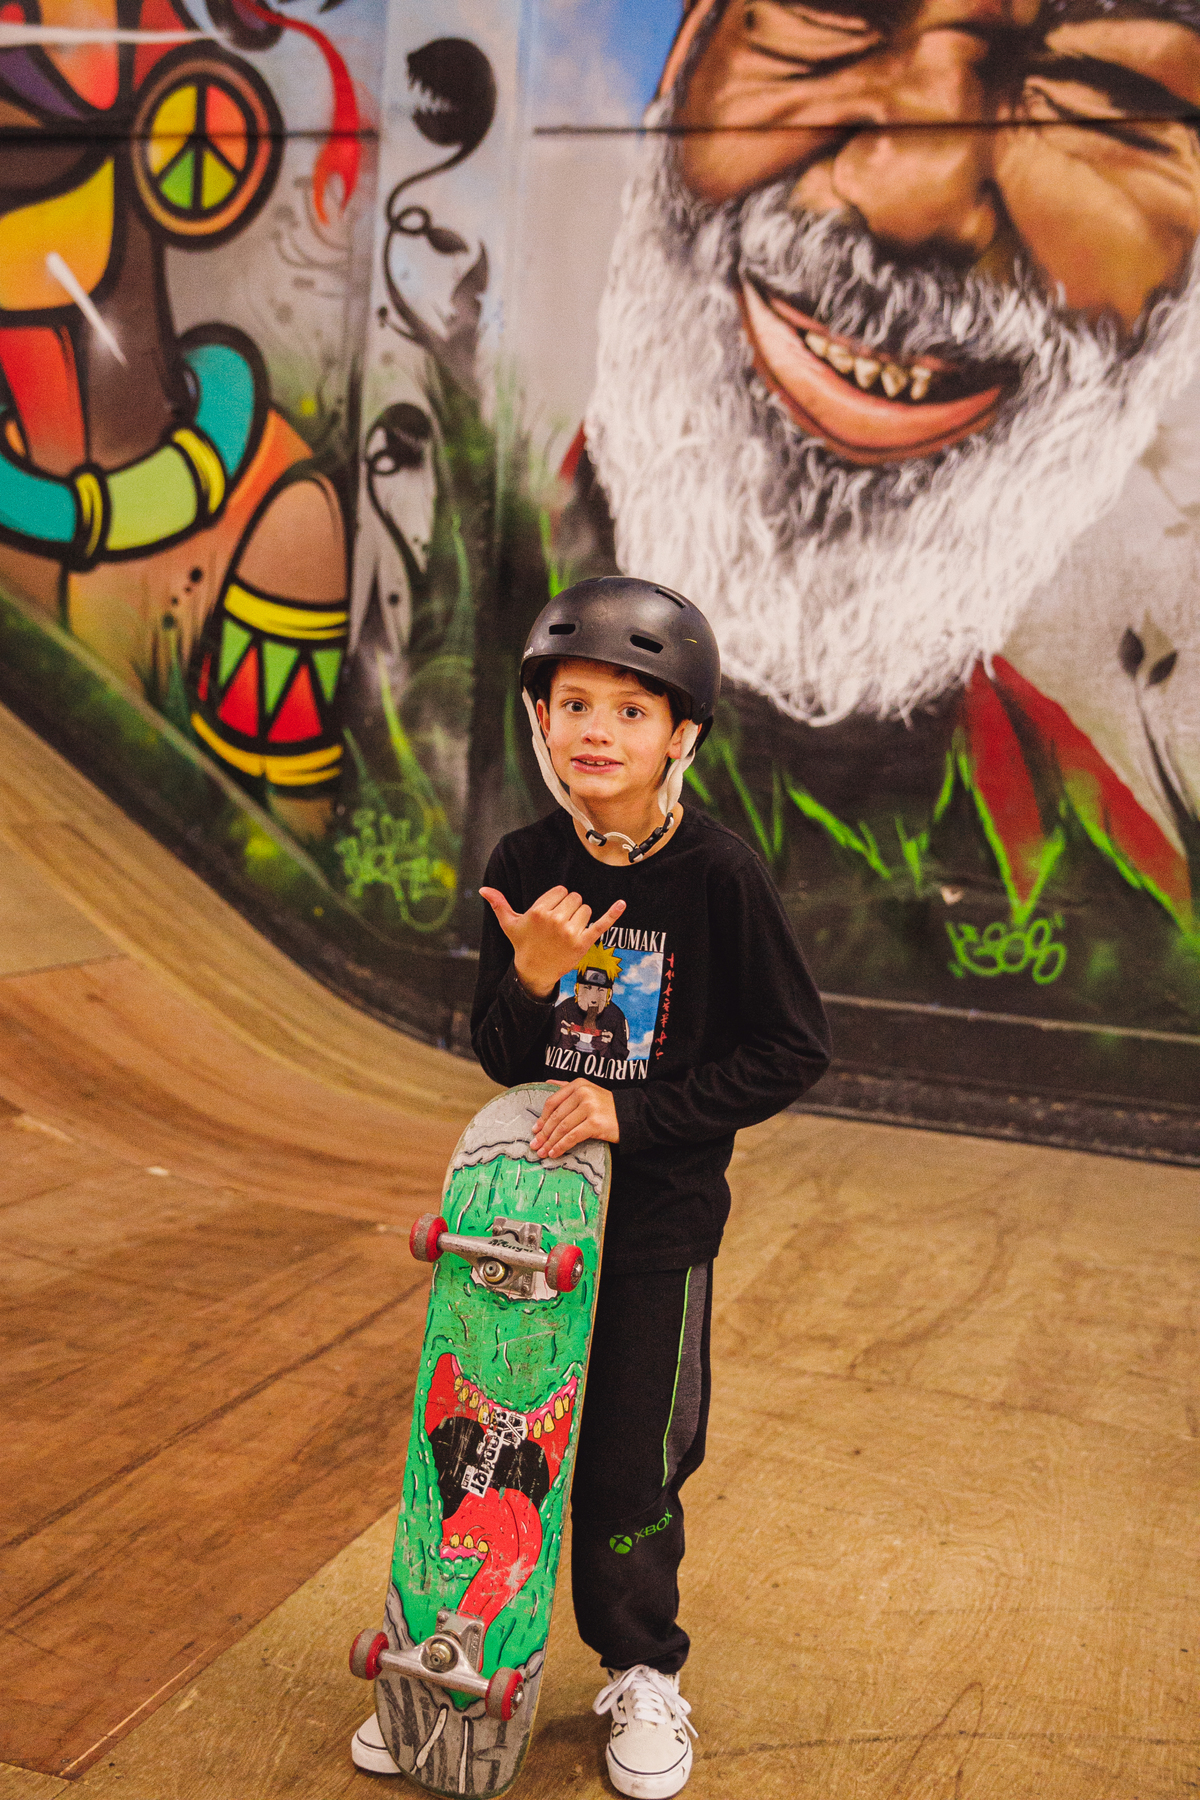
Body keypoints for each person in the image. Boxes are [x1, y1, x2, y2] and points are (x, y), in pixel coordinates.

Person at [426, 575, 823, 1796]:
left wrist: (635, 1111)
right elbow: (500, 1054)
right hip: (524, 1225)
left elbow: (790, 1048)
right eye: (573, 702)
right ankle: (455, 1662)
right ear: (541, 723)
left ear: (681, 737)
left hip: (654, 1228)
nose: (598, 730)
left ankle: (642, 1669)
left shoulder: (716, 877)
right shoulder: (524, 860)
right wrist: (536, 976)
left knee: (627, 1465)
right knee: (497, 1447)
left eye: (632, 711)